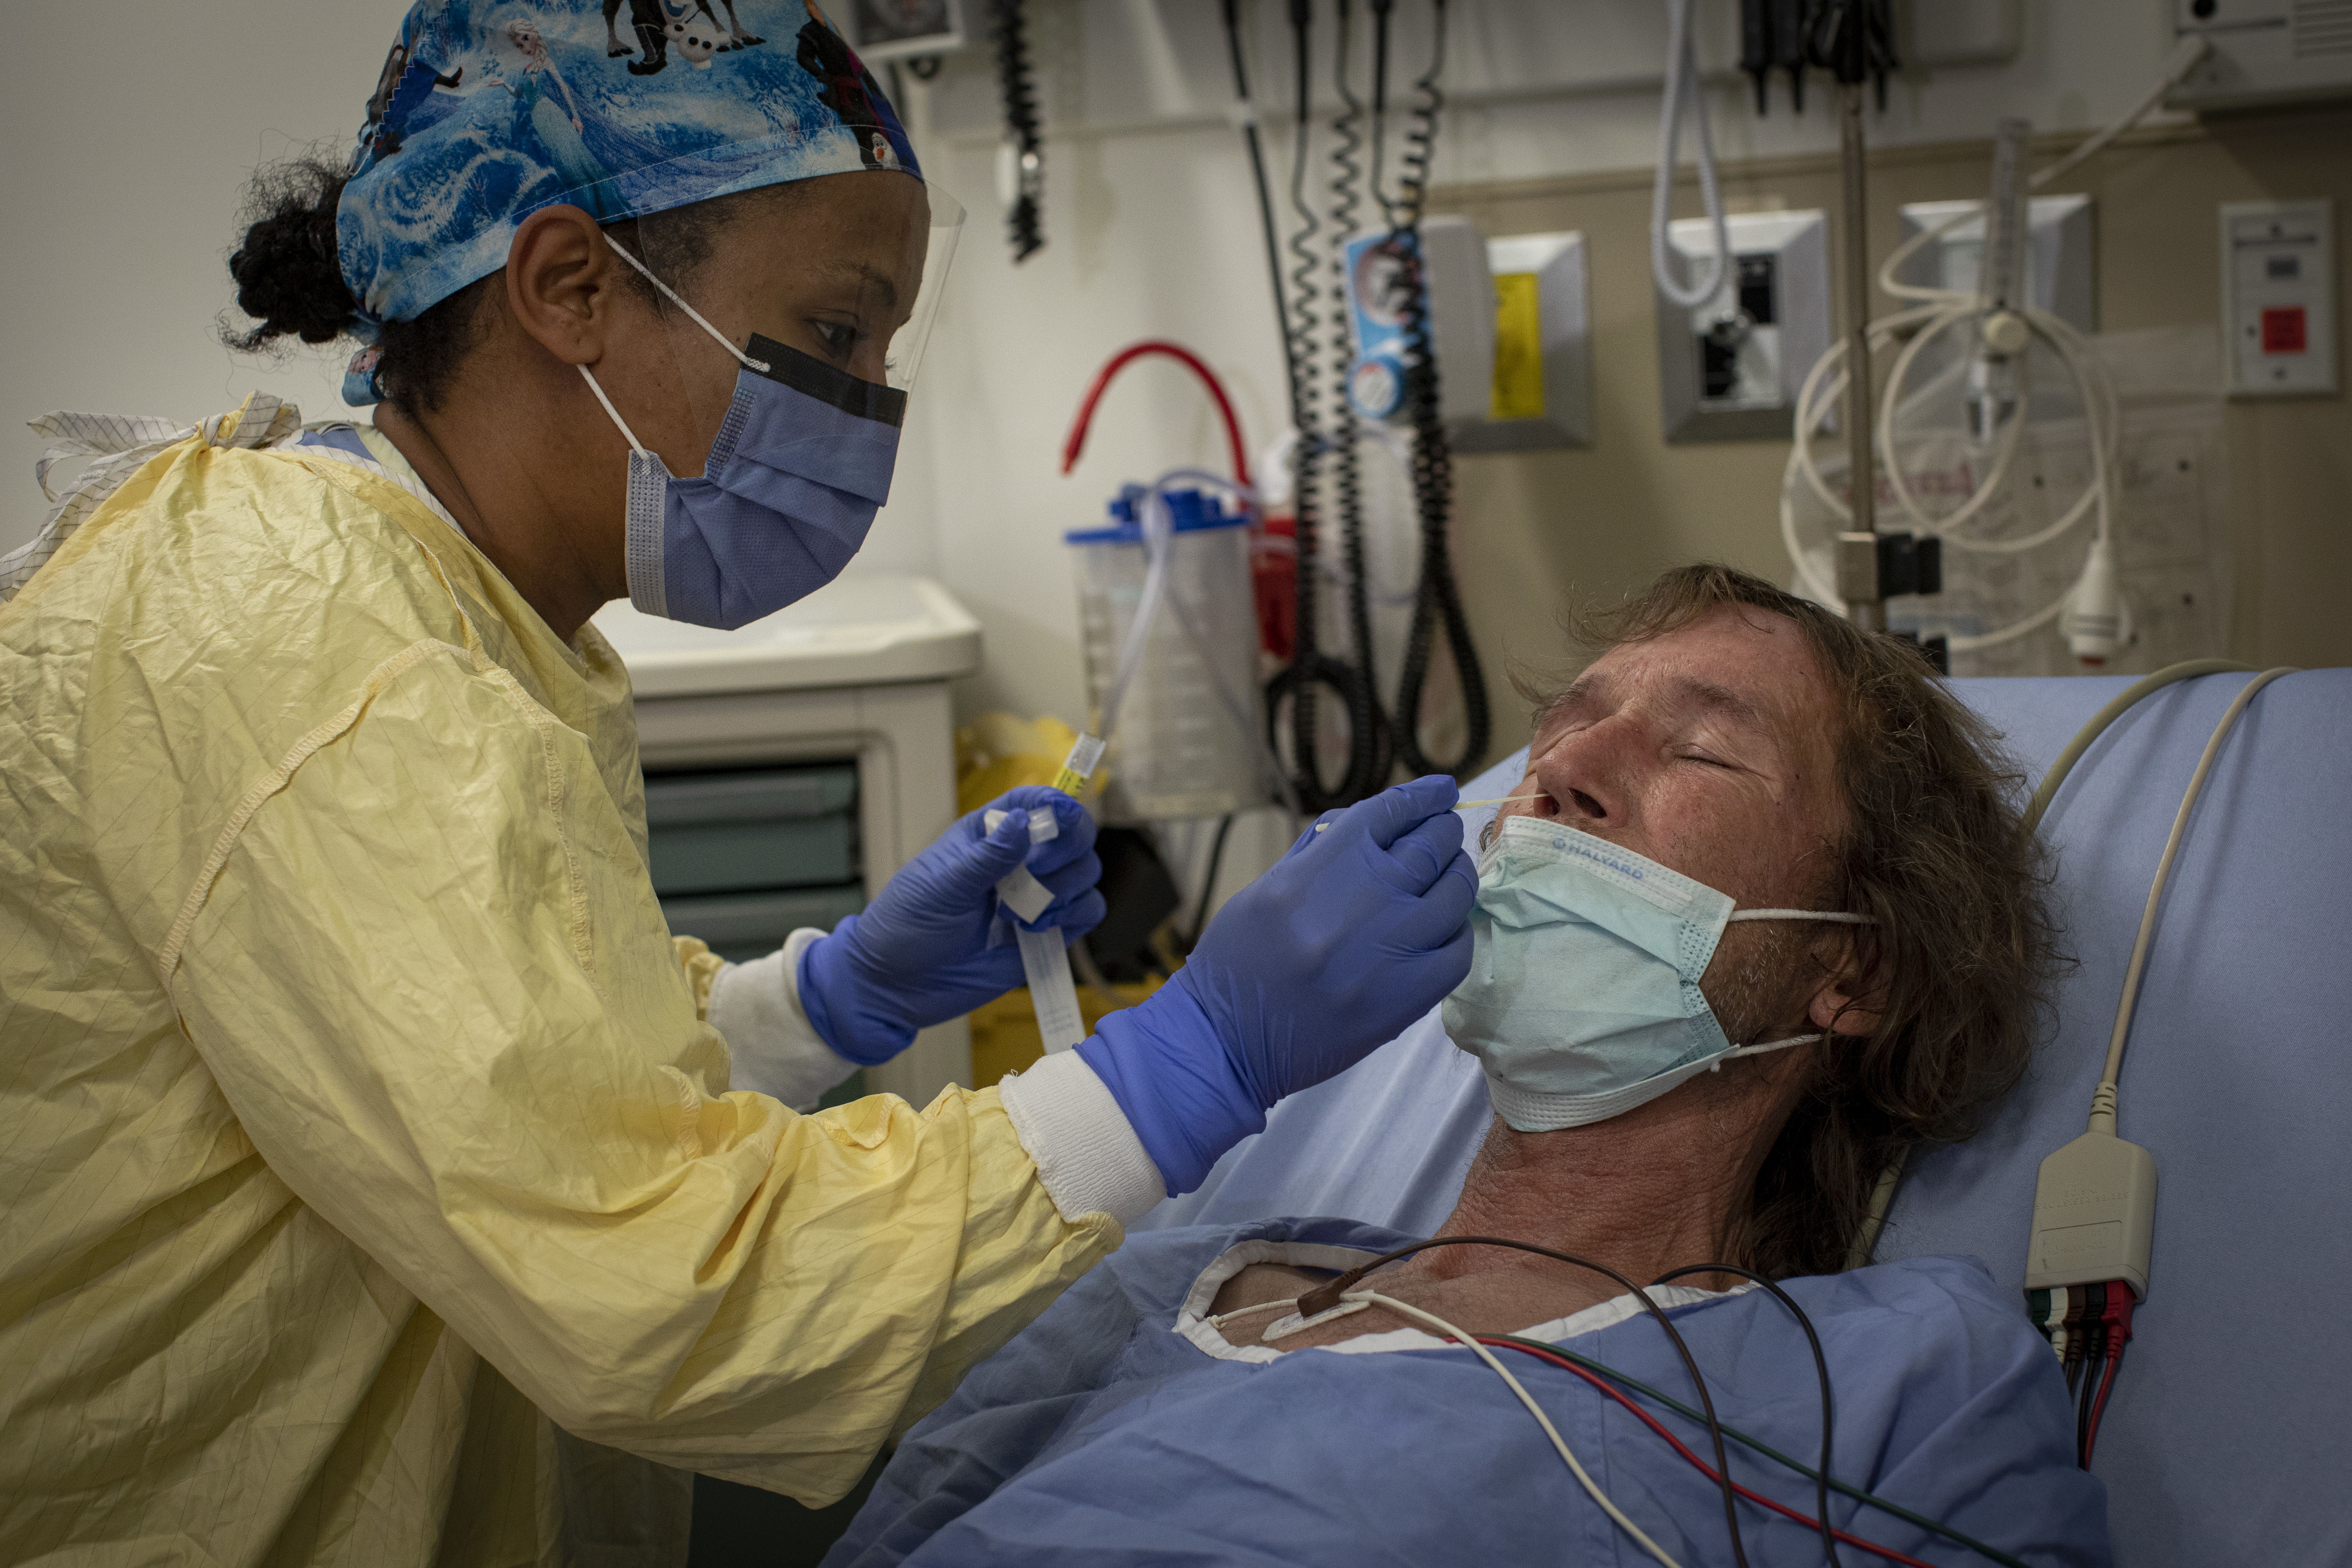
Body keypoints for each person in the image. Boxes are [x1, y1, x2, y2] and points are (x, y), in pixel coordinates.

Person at [0, 5, 1476, 1562]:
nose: (865, 412)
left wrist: (821, 1001)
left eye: (882, 352)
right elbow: (655, 1285)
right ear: (570, 285)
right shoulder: (325, 645)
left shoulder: (440, 613)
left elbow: (491, 1091)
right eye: (836, 335)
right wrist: (1186, 1062)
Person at [826, 566, 2111, 1568]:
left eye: (1699, 751)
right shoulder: (1169, 1275)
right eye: (1568, 724)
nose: (1560, 772)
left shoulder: (1890, 1380)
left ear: (1856, 972)